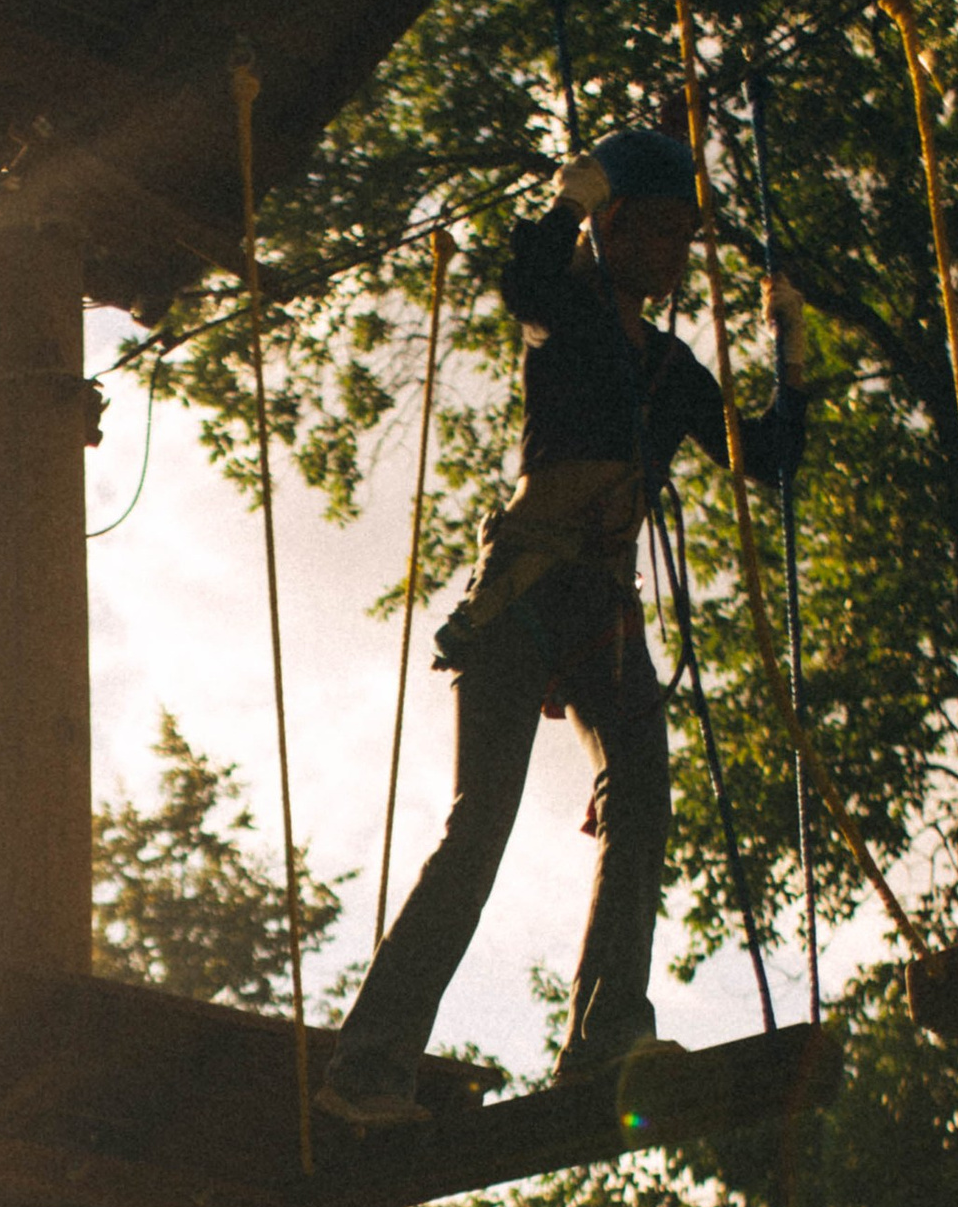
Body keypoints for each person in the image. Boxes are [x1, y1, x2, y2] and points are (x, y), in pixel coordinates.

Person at [318, 125, 810, 1131]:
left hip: (602, 611)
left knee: (644, 802)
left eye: (687, 236)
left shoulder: (669, 369)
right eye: (661, 229)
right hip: (526, 593)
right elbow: (527, 272)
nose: (676, 253)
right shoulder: (568, 314)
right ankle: (368, 1063)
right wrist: (573, 194)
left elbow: (764, 459)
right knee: (480, 829)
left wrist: (792, 346)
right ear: (616, 226)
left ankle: (603, 1042)